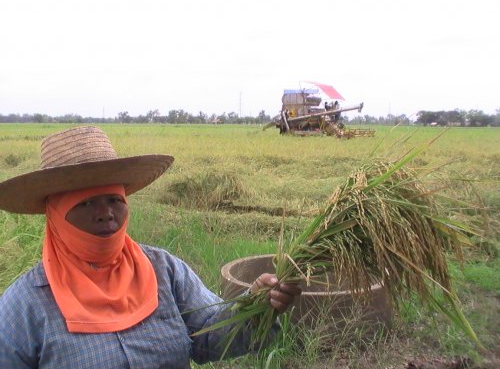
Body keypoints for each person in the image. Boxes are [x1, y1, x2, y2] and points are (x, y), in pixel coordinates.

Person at [0, 126, 301, 368]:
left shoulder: (163, 270)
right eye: (87, 203)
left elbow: (209, 338)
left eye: (114, 200)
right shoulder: (25, 304)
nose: (106, 212)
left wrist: (258, 305)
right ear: (55, 215)